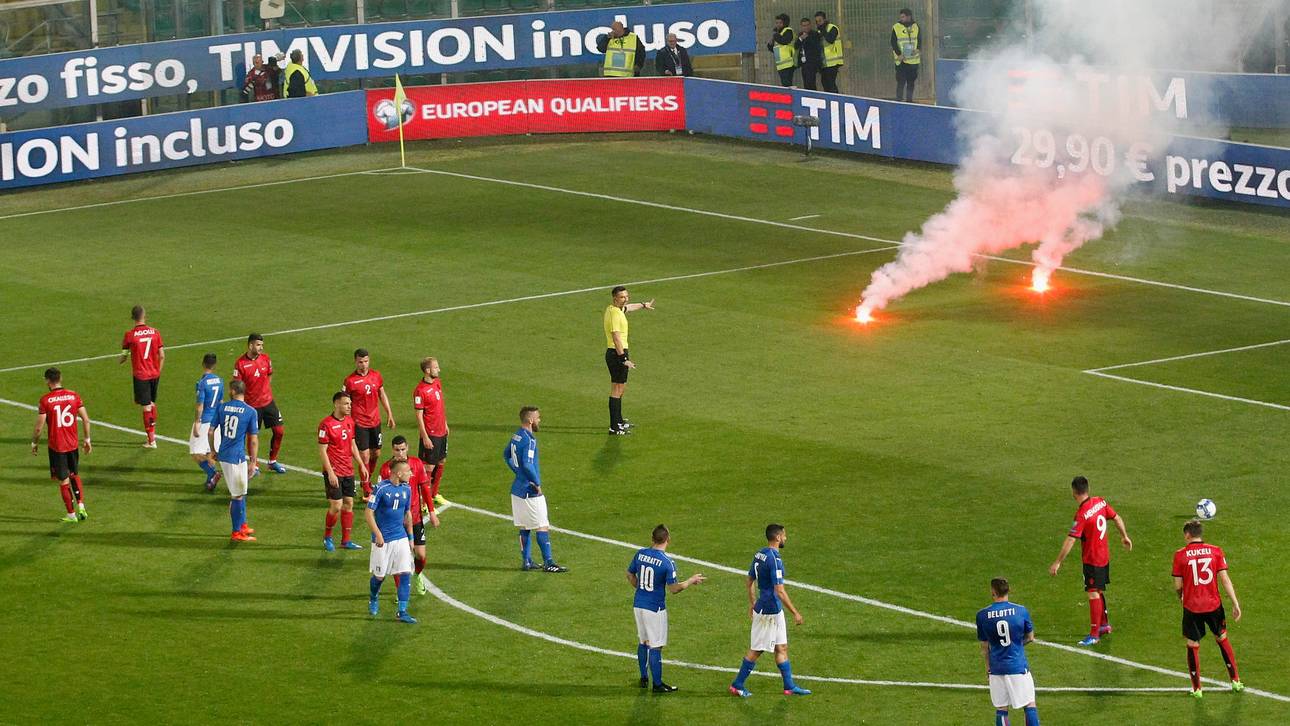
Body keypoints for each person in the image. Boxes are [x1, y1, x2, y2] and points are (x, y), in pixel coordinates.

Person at [1048, 476, 1132, 646]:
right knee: (1098, 590)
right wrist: (1124, 536)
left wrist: (1058, 562)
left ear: (1074, 492)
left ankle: (1094, 634)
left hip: (1092, 559)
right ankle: (1104, 625)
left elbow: (1071, 539)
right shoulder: (1100, 502)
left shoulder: (1082, 514)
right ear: (1087, 489)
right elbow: (1117, 517)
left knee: (1093, 592)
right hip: (1104, 556)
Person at [729, 524, 810, 698]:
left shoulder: (760, 554)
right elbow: (780, 591)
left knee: (782, 647)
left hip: (772, 610)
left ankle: (789, 686)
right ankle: (737, 685)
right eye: (784, 535)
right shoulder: (775, 559)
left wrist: (752, 602)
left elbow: (749, 580)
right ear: (778, 537)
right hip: (769, 612)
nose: (786, 538)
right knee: (757, 650)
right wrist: (795, 612)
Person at [627, 524, 706, 692]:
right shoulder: (667, 562)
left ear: (652, 538)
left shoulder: (640, 554)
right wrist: (691, 580)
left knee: (643, 641)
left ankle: (644, 678)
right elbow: (674, 589)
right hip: (654, 608)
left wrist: (641, 589)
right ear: (668, 539)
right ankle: (657, 684)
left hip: (638, 604)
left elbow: (629, 574)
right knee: (655, 646)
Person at [1173, 520, 1244, 698]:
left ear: (1187, 535)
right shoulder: (1215, 551)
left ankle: (1197, 689)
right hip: (1214, 605)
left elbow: (1178, 584)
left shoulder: (1180, 555)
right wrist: (1235, 603)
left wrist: (1181, 596)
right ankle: (1235, 680)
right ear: (1200, 533)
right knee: (1222, 638)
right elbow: (1225, 580)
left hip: (1192, 607)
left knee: (1193, 644)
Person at [505, 406, 567, 573]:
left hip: (517, 489)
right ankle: (548, 562)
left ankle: (526, 561)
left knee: (525, 526)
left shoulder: (516, 435)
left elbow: (506, 455)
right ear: (531, 420)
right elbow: (527, 464)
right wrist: (536, 482)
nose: (539, 420)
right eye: (538, 418)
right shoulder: (529, 440)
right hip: (529, 490)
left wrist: (517, 472)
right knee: (542, 525)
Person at [977, 578, 1040, 726]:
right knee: (1029, 704)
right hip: (1018, 666)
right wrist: (1016, 645)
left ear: (993, 592)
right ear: (1008, 590)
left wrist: (988, 668)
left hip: (996, 668)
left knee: (1001, 708)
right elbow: (1030, 637)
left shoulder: (982, 615)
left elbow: (985, 647)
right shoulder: (1021, 610)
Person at [381, 435, 439, 596]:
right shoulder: (386, 469)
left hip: (415, 517)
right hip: (395, 521)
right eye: (397, 450)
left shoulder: (416, 464)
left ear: (407, 448)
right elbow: (381, 495)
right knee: (398, 558)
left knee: (420, 555)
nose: (400, 453)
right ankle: (400, 592)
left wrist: (432, 512)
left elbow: (425, 488)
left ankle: (418, 574)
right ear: (392, 450)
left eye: (403, 449)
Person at [31, 367, 91, 523]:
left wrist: (34, 442)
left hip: (57, 447)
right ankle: (81, 505)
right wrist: (87, 439)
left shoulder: (45, 400)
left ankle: (71, 515)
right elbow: (86, 419)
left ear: (47, 381)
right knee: (74, 474)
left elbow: (38, 428)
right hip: (73, 444)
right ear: (60, 378)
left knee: (63, 480)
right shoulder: (74, 395)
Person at [365, 459, 417, 624]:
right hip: (383, 540)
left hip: (400, 537)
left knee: (405, 573)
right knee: (379, 576)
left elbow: (407, 514)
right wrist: (378, 534)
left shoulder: (407, 489)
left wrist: (410, 537)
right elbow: (368, 513)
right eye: (408, 471)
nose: (411, 474)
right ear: (399, 473)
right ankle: (373, 597)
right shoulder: (381, 488)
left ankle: (402, 611)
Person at [208, 380, 259, 542]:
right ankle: (236, 532)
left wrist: (213, 450)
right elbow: (253, 440)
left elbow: (210, 431)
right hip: (235, 458)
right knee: (237, 496)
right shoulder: (250, 411)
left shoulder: (222, 408)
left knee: (241, 492)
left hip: (229, 456)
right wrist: (253, 461)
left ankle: (242, 525)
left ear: (233, 391)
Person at [319, 391, 368, 552]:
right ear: (336, 404)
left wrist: (361, 464)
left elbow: (352, 444)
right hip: (334, 471)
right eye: (346, 403)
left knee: (349, 504)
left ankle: (346, 541)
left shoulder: (349, 421)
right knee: (336, 506)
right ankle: (327, 537)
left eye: (350, 404)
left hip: (348, 469)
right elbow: (322, 451)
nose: (349, 406)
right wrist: (330, 472)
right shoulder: (326, 425)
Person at [343, 348, 395, 498]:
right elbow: (344, 401)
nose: (364, 365)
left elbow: (382, 394)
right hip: (359, 422)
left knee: (376, 453)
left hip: (375, 421)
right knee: (364, 456)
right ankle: (366, 487)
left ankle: (366, 478)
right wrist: (346, 421)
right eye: (360, 362)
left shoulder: (376, 376)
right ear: (355, 362)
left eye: (366, 361)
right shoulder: (350, 381)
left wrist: (389, 413)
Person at [232, 333, 286, 476]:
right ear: (250, 345)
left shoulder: (266, 359)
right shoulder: (240, 363)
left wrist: (265, 389)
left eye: (262, 345)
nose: (261, 347)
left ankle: (272, 461)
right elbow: (237, 385)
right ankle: (253, 464)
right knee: (252, 435)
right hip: (252, 406)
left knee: (279, 431)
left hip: (268, 402)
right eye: (258, 345)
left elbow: (269, 374)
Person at [604, 286, 655, 435]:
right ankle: (614, 427)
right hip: (616, 353)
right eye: (622, 297)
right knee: (616, 390)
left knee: (621, 388)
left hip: (618, 352)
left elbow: (629, 308)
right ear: (615, 298)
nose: (625, 299)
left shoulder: (616, 309)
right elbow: (616, 337)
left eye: (626, 296)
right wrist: (623, 359)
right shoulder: (614, 314)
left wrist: (643, 305)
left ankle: (619, 421)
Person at [119, 305, 164, 448]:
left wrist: (120, 360)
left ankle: (151, 440)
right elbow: (162, 355)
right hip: (154, 374)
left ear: (133, 317)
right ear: (145, 316)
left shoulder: (130, 335)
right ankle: (152, 435)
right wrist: (158, 371)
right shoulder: (155, 332)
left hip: (141, 375)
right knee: (151, 403)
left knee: (146, 407)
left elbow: (124, 355)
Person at [413, 357, 450, 507]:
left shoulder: (437, 383)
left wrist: (445, 424)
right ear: (427, 370)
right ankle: (423, 501)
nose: (439, 370)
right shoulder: (420, 391)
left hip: (441, 431)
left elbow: (440, 406)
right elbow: (419, 415)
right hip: (431, 433)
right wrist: (425, 436)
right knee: (428, 467)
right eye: (436, 367)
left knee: (441, 461)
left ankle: (434, 494)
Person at [189, 353, 225, 492]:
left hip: (205, 421)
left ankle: (212, 473)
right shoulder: (220, 381)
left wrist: (197, 422)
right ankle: (210, 481)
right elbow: (221, 401)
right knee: (210, 451)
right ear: (215, 365)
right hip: (216, 420)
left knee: (195, 453)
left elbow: (200, 405)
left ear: (203, 364)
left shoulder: (202, 383)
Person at [891, 8, 922, 102]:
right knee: (901, 81)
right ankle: (899, 100)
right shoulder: (896, 27)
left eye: (903, 17)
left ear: (909, 17)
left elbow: (919, 39)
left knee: (911, 82)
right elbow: (893, 42)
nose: (901, 18)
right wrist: (899, 54)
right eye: (901, 17)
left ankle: (909, 100)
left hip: (913, 60)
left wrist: (918, 49)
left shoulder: (916, 26)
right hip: (901, 60)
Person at [815, 11, 844, 93]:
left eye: (820, 20)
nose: (818, 23)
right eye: (816, 21)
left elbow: (830, 39)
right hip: (824, 63)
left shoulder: (832, 28)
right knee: (825, 83)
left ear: (825, 20)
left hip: (833, 62)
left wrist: (823, 30)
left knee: (831, 84)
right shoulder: (819, 31)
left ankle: (836, 99)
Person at [767, 14, 797, 88]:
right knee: (785, 85)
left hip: (788, 63)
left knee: (788, 85)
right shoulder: (778, 34)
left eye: (780, 23)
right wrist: (770, 44)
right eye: (776, 23)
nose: (778, 25)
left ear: (785, 23)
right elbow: (774, 49)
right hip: (780, 65)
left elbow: (784, 41)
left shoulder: (788, 31)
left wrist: (775, 35)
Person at [796, 18, 823, 91]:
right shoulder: (800, 35)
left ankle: (813, 96)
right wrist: (801, 39)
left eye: (807, 25)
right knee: (806, 83)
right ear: (801, 27)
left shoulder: (815, 34)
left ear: (810, 25)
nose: (806, 27)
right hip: (804, 63)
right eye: (804, 26)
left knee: (811, 82)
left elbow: (816, 46)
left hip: (812, 63)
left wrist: (807, 38)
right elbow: (796, 46)